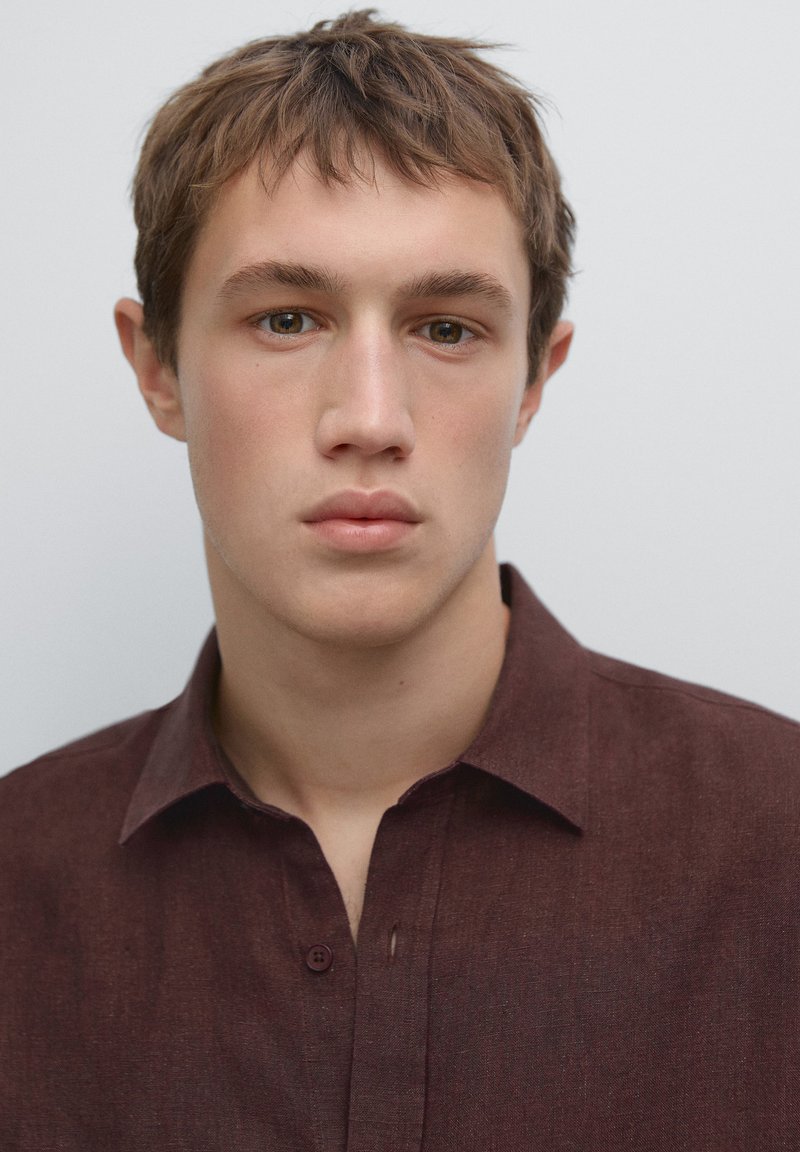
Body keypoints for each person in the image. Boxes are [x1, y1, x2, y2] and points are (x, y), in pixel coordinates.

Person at [1, 10, 798, 1149]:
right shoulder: (17, 885)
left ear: (534, 381)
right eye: (287, 319)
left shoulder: (777, 847)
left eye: (446, 329)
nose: (369, 418)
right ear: (157, 368)